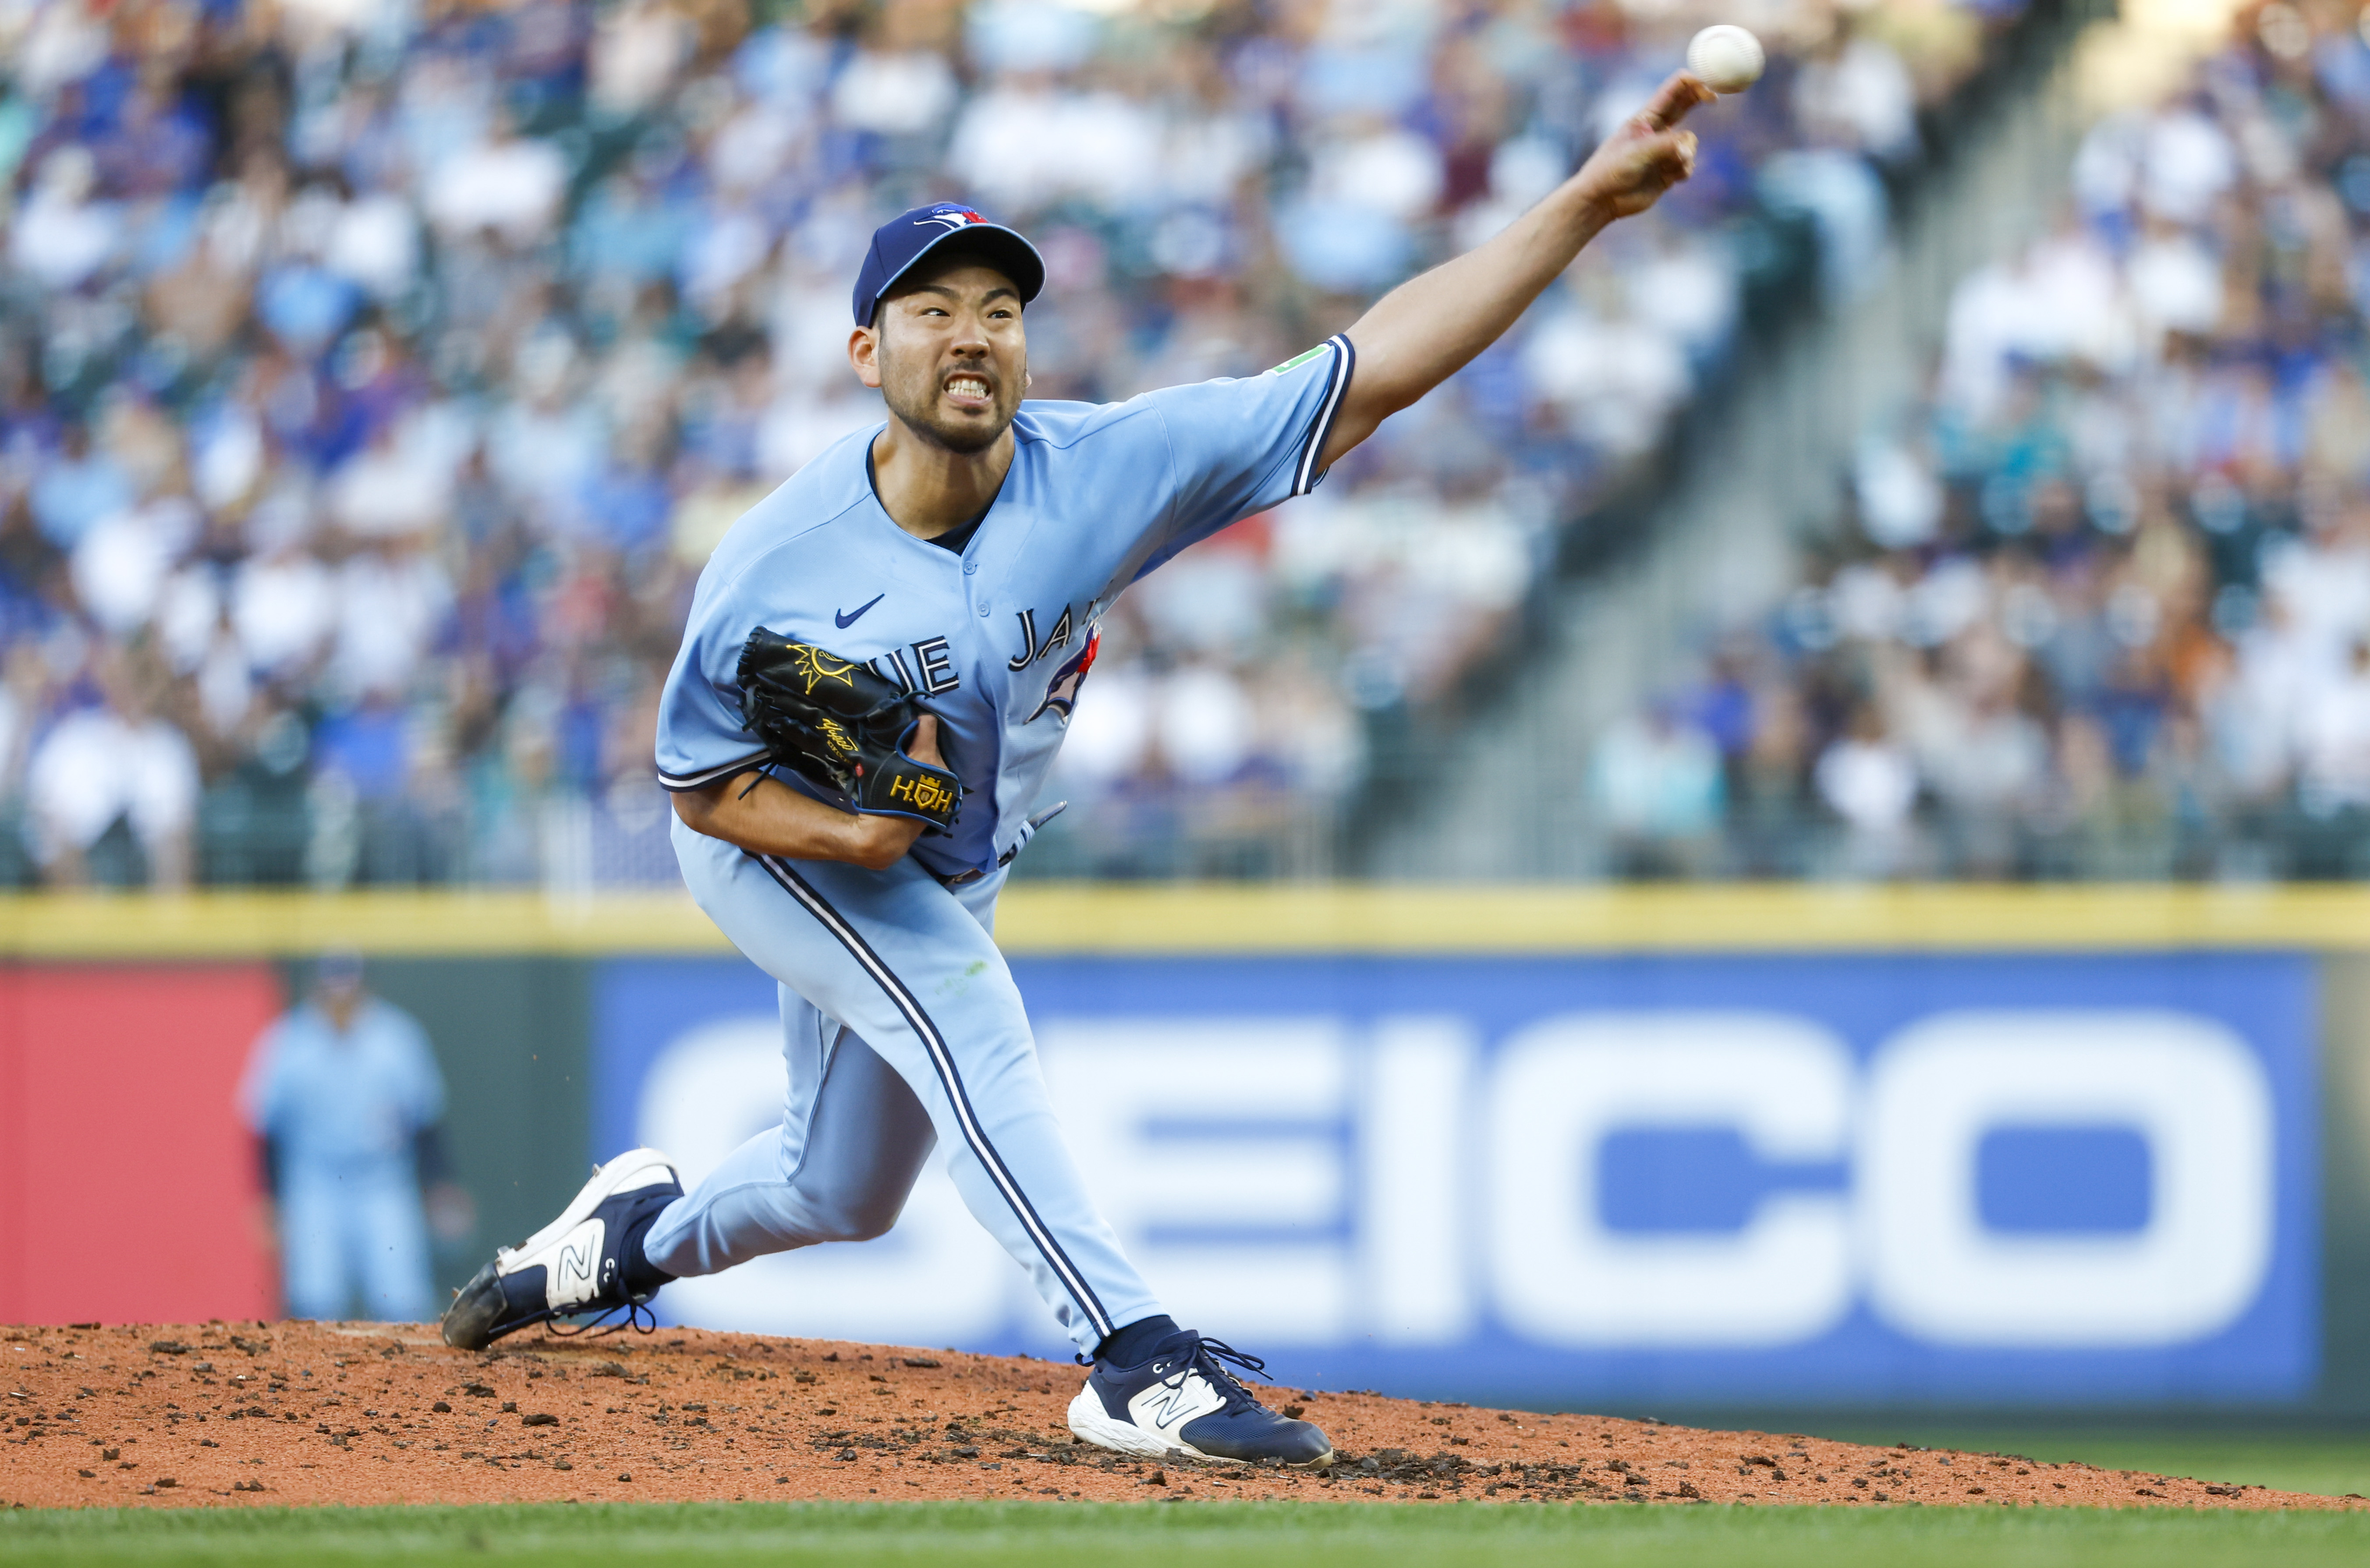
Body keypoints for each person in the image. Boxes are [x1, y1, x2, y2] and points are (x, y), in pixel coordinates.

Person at [443, 73, 1714, 1466]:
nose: (972, 335)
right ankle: (1137, 1360)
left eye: (1000, 307)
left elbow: (1368, 371)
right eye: (933, 310)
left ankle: (629, 1239)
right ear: (867, 350)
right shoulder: (773, 563)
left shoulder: (1100, 468)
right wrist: (850, 840)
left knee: (841, 1186)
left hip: (942, 848)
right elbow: (695, 787)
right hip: (775, 840)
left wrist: (1583, 205)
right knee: (967, 1007)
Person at [242, 951, 473, 1322]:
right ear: (316, 988)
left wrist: (440, 1185)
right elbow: (264, 1126)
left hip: (382, 1181)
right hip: (315, 1183)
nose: (341, 999)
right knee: (315, 1301)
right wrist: (268, 1198)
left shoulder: (396, 1037)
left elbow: (425, 1121)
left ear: (364, 987)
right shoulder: (288, 1040)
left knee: (403, 1300)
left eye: (348, 987)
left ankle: (409, 1382)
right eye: (332, 988)